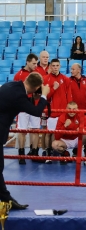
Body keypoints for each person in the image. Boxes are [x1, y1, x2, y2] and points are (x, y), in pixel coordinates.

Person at [0, 72, 50, 209]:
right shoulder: (19, 96)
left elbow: (22, 103)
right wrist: (44, 95)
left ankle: (7, 200)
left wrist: (34, 97)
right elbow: (36, 111)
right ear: (36, 87)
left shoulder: (12, 85)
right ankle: (8, 200)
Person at [13, 54, 42, 164]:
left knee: (35, 129)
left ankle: (34, 152)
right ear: (27, 62)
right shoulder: (19, 75)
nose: (35, 65)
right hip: (22, 105)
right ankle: (21, 154)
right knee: (22, 130)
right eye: (34, 63)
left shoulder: (37, 73)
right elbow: (15, 92)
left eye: (36, 63)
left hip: (35, 103)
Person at [43, 59, 73, 162]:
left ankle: (58, 152)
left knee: (60, 133)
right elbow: (45, 97)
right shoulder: (46, 79)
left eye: (57, 65)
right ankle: (48, 152)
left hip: (63, 112)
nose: (55, 67)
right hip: (51, 111)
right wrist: (54, 89)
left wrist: (69, 110)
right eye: (53, 65)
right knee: (49, 133)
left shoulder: (66, 79)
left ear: (60, 66)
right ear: (50, 67)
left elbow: (69, 95)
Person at [52, 101, 86, 166]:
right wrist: (64, 126)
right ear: (66, 109)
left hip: (78, 139)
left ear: (77, 109)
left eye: (74, 109)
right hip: (65, 141)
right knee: (54, 145)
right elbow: (57, 136)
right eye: (69, 108)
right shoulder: (62, 117)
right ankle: (65, 153)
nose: (71, 111)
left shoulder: (81, 115)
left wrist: (83, 129)